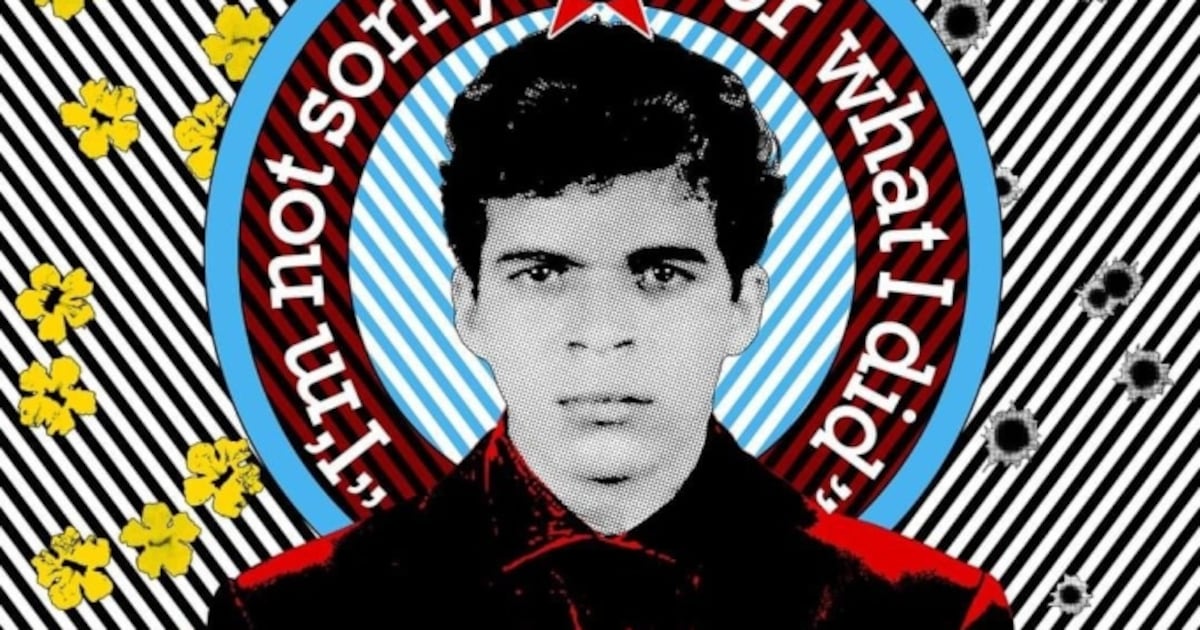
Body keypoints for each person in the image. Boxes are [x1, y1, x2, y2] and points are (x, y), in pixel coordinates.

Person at [207, 20, 1014, 629]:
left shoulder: (926, 619)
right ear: (469, 307)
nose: (601, 333)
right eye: (542, 273)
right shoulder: (290, 620)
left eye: (660, 273)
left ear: (745, 304)